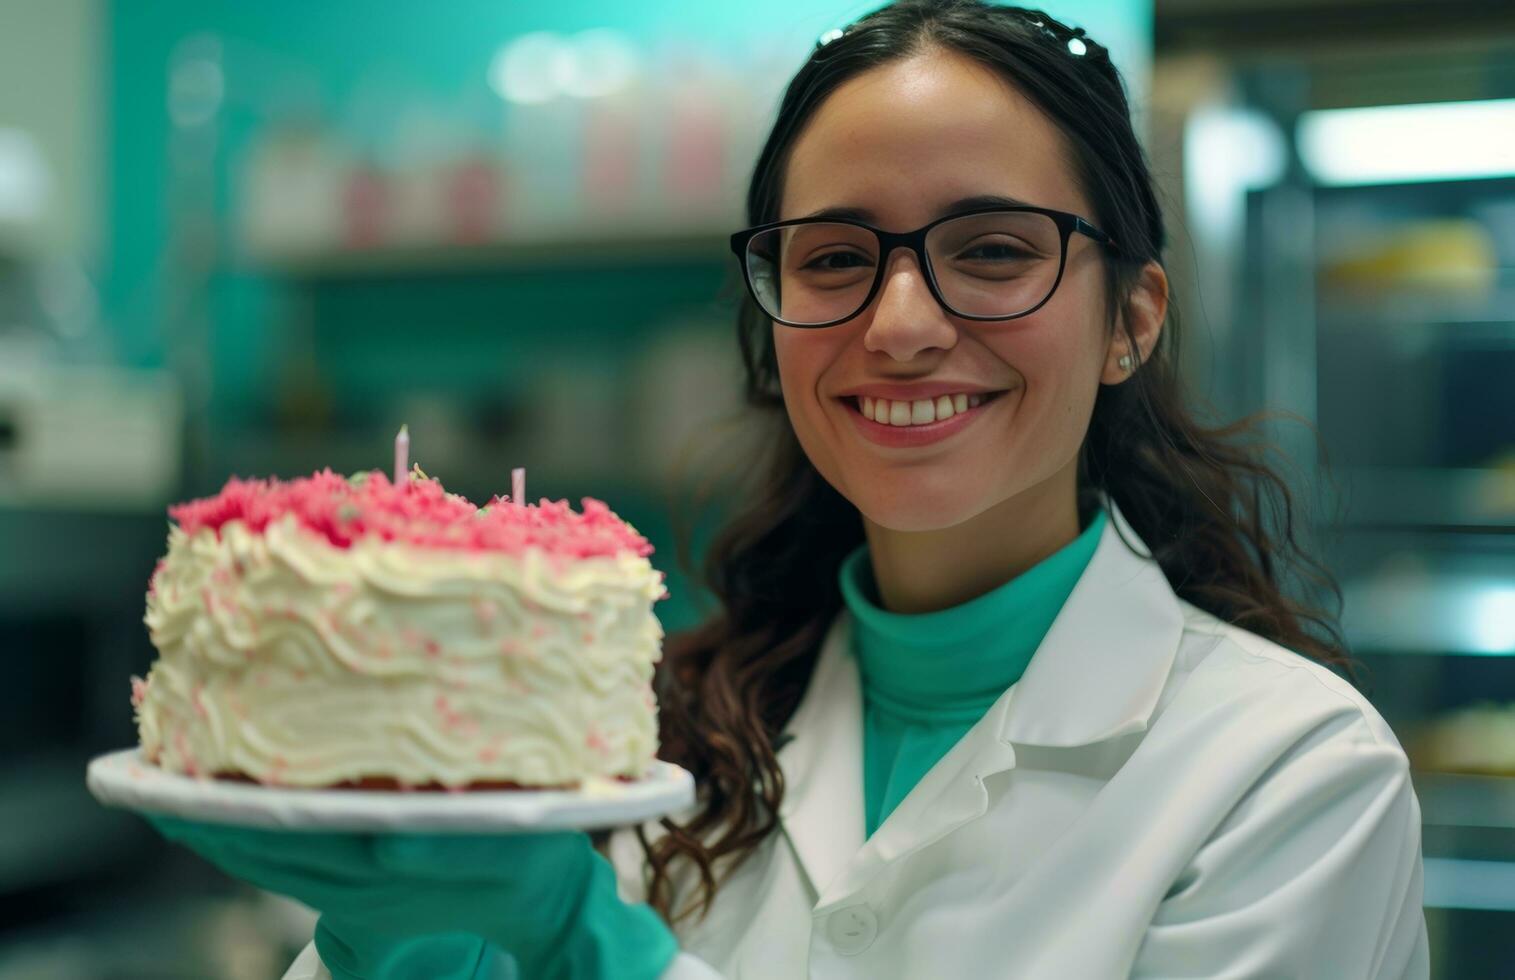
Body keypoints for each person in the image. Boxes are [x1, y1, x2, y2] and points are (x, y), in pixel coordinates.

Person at [152, 2, 1430, 977]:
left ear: (1129, 318)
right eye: (834, 259)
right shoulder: (626, 736)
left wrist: (601, 947)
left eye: (992, 250)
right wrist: (402, 942)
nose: (902, 321)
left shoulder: (1290, 776)